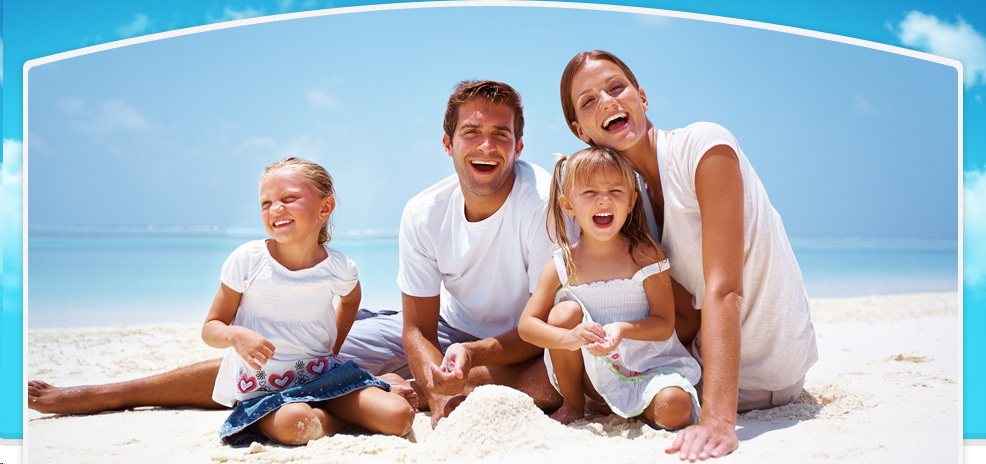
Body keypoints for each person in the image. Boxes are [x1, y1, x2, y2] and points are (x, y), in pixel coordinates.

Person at [28, 80, 562, 427]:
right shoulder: (424, 212)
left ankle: (391, 388)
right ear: (448, 145)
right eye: (472, 132)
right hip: (448, 330)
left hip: (531, 342)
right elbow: (417, 329)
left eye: (501, 134)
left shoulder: (541, 202)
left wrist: (463, 366)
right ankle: (109, 393)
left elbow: (544, 324)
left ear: (519, 143)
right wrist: (435, 382)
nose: (487, 146)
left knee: (545, 388)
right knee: (284, 355)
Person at [559, 50, 818, 461]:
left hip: (763, 371)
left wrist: (717, 422)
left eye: (616, 87)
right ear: (581, 131)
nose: (607, 102)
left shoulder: (703, 147)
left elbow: (725, 289)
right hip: (690, 362)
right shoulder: (626, 201)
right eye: (588, 101)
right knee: (564, 333)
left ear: (642, 98)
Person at [202, 157, 414, 445]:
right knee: (295, 424)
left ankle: (371, 394)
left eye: (289, 198)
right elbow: (211, 327)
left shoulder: (338, 267)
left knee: (399, 417)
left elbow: (351, 300)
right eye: (266, 203)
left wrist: (333, 347)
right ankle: (348, 416)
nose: (276, 208)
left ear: (324, 207)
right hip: (266, 394)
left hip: (326, 379)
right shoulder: (248, 260)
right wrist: (235, 335)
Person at [518, 147, 701, 428]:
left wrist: (621, 330)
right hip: (593, 375)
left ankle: (630, 407)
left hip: (648, 368)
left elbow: (665, 324)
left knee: (674, 408)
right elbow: (527, 326)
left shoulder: (645, 255)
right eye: (590, 193)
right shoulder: (561, 264)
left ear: (631, 201)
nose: (604, 200)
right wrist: (569, 339)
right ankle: (574, 403)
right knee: (562, 314)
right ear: (568, 205)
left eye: (616, 191)